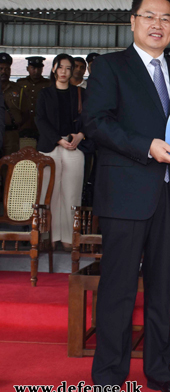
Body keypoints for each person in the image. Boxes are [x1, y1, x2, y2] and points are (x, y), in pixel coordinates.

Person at [83, 0, 170, 392]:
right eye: (149, 16)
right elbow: (95, 123)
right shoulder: (110, 67)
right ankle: (108, 378)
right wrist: (145, 145)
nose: (157, 24)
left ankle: (160, 370)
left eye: (166, 18)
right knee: (117, 289)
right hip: (126, 194)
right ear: (132, 21)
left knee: (163, 289)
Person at [35, 53, 87, 250]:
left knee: (72, 193)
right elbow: (40, 120)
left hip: (73, 146)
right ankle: (48, 236)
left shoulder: (80, 93)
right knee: (49, 193)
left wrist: (80, 135)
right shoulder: (44, 93)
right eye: (60, 67)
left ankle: (69, 237)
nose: (64, 72)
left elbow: (89, 118)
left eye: (68, 68)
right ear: (54, 69)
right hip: (50, 147)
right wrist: (57, 139)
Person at [16, 56, 51, 139]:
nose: (36, 71)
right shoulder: (20, 83)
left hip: (42, 125)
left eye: (39, 68)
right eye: (33, 68)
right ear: (27, 68)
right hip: (24, 125)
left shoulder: (48, 84)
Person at [1, 52, 21, 155]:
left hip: (11, 134)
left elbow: (25, 112)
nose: (4, 72)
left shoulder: (18, 89)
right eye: (1, 69)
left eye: (7, 69)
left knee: (10, 166)